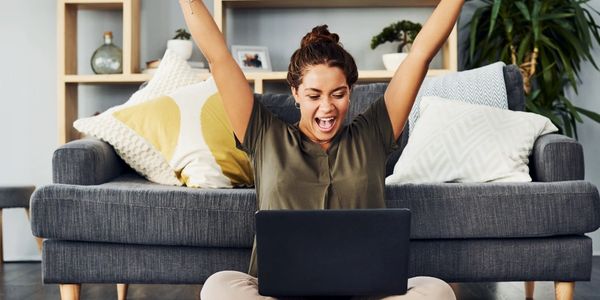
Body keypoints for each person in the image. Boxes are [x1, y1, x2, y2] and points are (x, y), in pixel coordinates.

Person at [179, 0, 464, 299]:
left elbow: (419, 55)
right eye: (314, 95)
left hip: (364, 292)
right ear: (295, 93)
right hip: (279, 292)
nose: (327, 107)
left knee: (437, 290)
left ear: (350, 92)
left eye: (338, 94)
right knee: (218, 286)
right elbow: (219, 57)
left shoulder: (373, 133)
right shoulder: (264, 134)